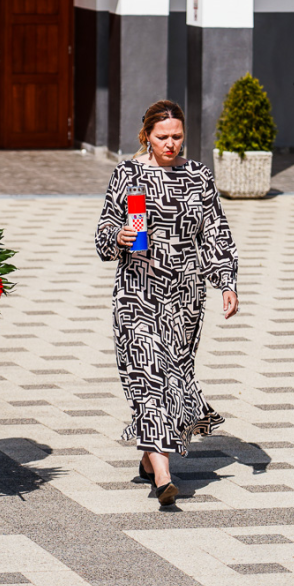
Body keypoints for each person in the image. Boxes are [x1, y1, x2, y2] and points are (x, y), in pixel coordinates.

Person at [94, 100, 239, 507]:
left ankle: (147, 457)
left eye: (177, 137)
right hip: (137, 293)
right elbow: (104, 231)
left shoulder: (198, 176)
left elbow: (215, 231)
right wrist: (119, 237)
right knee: (148, 377)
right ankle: (163, 474)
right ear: (146, 136)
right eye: (163, 138)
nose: (171, 144)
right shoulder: (129, 174)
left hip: (185, 297)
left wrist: (226, 282)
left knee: (172, 381)